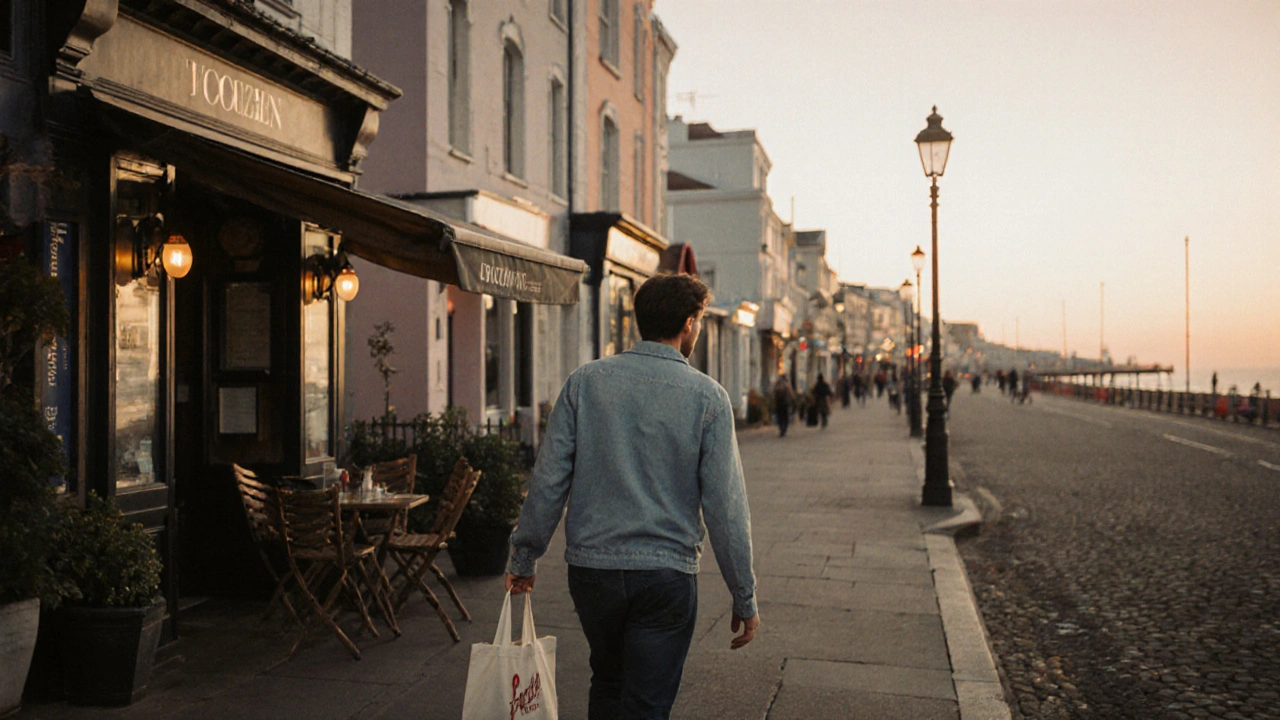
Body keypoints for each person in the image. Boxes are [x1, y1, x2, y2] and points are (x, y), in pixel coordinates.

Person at [506, 273, 759, 720]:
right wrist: (744, 595)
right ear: (687, 323)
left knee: (607, 680)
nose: (697, 330)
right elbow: (726, 508)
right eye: (698, 321)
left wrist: (525, 557)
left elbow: (548, 480)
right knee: (646, 703)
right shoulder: (709, 398)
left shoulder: (586, 382)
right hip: (665, 574)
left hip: (592, 570)